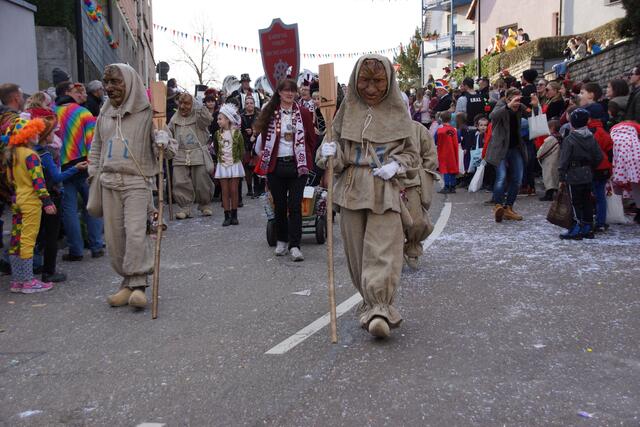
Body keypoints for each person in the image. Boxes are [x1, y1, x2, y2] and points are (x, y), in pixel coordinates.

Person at [317, 54, 419, 338]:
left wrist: (396, 166)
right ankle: (370, 302)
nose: (371, 89)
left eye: (378, 82)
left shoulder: (399, 113)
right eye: (365, 81)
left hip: (384, 188)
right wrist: (329, 152)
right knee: (357, 253)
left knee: (383, 248)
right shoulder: (346, 111)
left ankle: (380, 309)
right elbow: (332, 152)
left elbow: (412, 155)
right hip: (351, 188)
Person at [88, 63, 174, 309]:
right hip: (108, 182)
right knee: (115, 238)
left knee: (135, 233)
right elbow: (96, 147)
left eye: (115, 82)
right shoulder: (104, 113)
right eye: (107, 82)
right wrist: (93, 171)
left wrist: (163, 140)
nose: (109, 87)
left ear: (130, 83)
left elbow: (168, 152)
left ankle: (138, 285)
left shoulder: (148, 113)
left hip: (137, 182)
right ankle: (126, 283)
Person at [254, 78, 316, 262]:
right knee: (279, 206)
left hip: (297, 166)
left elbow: (311, 139)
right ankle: (281, 240)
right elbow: (264, 138)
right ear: (279, 93)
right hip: (276, 166)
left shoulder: (303, 112)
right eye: (286, 90)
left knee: (295, 206)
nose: (289, 93)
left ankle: (295, 245)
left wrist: (306, 155)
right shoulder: (270, 113)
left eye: (292, 90)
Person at [30, 107, 86, 283]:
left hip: (35, 197)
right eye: (52, 132)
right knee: (51, 236)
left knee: (37, 235)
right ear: (45, 135)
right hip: (50, 197)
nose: (54, 135)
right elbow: (57, 177)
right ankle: (49, 271)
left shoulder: (31, 151)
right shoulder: (45, 154)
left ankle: (34, 266)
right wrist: (75, 168)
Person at [2, 116, 56, 293]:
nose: (37, 135)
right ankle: (28, 281)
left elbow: (9, 181)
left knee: (16, 239)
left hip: (17, 200)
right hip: (31, 202)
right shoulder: (31, 155)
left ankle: (17, 281)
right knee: (28, 240)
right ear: (26, 135)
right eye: (34, 132)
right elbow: (38, 181)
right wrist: (47, 201)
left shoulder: (12, 154)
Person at [54, 81, 104, 261]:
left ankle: (76, 250)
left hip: (64, 167)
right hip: (84, 164)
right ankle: (97, 246)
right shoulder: (84, 113)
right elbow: (93, 143)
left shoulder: (53, 113)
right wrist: (94, 165)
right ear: (68, 93)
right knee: (92, 205)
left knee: (69, 210)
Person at [558, 109, 603, 240]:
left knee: (575, 202)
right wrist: (590, 167)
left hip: (573, 174)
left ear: (572, 123)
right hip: (587, 173)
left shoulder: (570, 139)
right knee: (586, 201)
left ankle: (576, 228)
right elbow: (599, 156)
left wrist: (561, 176)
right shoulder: (591, 137)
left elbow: (564, 160)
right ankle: (587, 227)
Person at [168, 93, 214, 219]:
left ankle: (205, 204)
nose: (182, 106)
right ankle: (185, 207)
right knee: (180, 181)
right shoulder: (174, 118)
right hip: (180, 154)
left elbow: (208, 120)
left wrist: (200, 108)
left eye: (186, 103)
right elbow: (169, 132)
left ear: (192, 104)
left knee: (202, 180)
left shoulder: (198, 115)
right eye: (180, 103)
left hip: (198, 153)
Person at [486, 88, 528, 222]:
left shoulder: (520, 107)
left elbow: (531, 114)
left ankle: (508, 207)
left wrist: (535, 105)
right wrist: (508, 106)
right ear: (508, 98)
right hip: (500, 149)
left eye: (519, 99)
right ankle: (498, 206)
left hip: (515, 148)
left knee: (518, 178)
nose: (517, 102)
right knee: (501, 177)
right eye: (515, 99)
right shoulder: (501, 105)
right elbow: (492, 116)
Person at [403, 121, 437, 270]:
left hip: (412, 181)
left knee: (416, 221)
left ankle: (413, 248)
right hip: (387, 182)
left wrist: (423, 175)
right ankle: (393, 252)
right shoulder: (381, 125)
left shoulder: (418, 129)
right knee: (390, 222)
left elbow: (430, 155)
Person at [213, 104, 244, 226]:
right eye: (218, 119)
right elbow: (216, 148)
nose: (218, 121)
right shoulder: (217, 134)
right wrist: (220, 160)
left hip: (234, 164)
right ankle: (226, 215)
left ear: (228, 119)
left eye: (220, 119)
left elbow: (241, 149)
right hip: (222, 165)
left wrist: (237, 160)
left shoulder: (237, 134)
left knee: (234, 190)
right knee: (225, 191)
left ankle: (234, 215)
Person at [610, 121, 640, 224]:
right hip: (634, 155)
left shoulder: (614, 129)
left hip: (616, 154)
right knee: (636, 184)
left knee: (616, 183)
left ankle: (617, 211)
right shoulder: (636, 127)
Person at [436, 111, 460, 193]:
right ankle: (452, 186)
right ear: (450, 119)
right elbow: (458, 139)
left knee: (445, 169)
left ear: (441, 119)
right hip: (452, 152)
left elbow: (435, 140)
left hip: (443, 152)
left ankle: (446, 186)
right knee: (452, 168)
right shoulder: (454, 130)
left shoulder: (439, 130)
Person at [537, 120, 561, 201]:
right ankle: (556, 194)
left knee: (549, 179)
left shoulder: (550, 139)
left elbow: (542, 151)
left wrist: (538, 155)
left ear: (552, 128)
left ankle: (549, 195)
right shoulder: (560, 137)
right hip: (557, 160)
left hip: (550, 161)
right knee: (555, 178)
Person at [240, 96, 259, 198]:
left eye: (251, 103)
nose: (249, 105)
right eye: (247, 103)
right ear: (244, 105)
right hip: (245, 143)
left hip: (256, 143)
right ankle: (249, 189)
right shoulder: (241, 117)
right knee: (247, 167)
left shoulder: (258, 116)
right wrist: (245, 132)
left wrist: (253, 132)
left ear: (254, 104)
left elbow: (262, 128)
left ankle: (257, 189)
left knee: (256, 166)